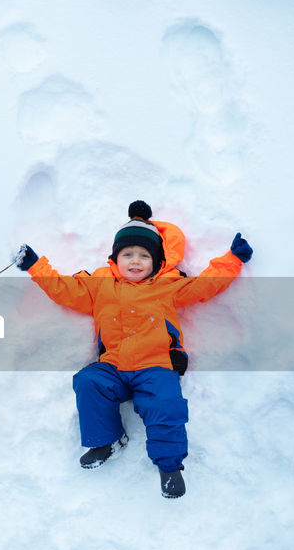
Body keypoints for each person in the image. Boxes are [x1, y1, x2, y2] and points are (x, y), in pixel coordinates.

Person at [18, 200, 252, 498]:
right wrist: (36, 266)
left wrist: (232, 260)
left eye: (144, 255)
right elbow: (64, 289)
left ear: (156, 261)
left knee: (166, 405)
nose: (136, 261)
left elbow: (205, 285)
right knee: (89, 382)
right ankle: (108, 440)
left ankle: (169, 466)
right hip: (114, 366)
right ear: (115, 258)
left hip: (156, 367)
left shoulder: (168, 284)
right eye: (128, 254)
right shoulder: (99, 284)